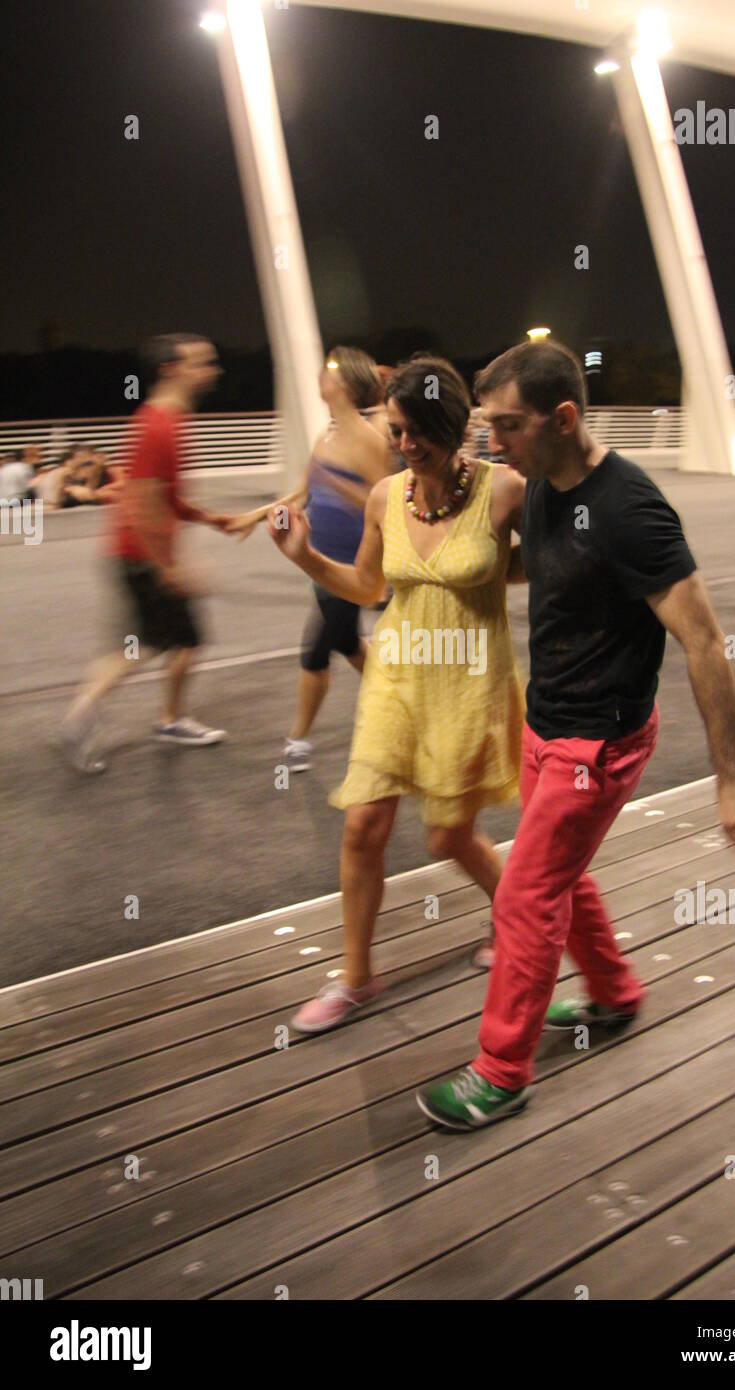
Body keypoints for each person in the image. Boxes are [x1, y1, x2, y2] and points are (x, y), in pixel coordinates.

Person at [417, 339, 735, 1130]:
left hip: (599, 744)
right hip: (546, 725)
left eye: (507, 427)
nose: (494, 444)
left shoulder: (630, 508)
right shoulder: (542, 484)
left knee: (525, 894)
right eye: (487, 427)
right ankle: (614, 995)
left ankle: (501, 1072)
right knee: (561, 878)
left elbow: (705, 641)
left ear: (564, 417)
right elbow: (543, 570)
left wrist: (731, 777)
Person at [266, 354, 527, 1028]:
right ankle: (356, 976)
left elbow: (549, 568)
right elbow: (367, 588)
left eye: (415, 431)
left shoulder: (505, 491)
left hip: (470, 680)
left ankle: (518, 920)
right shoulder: (387, 495)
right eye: (395, 431)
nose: (404, 446)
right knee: (363, 825)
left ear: (452, 425)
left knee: (448, 835)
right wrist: (304, 558)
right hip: (399, 675)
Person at [58, 333, 236, 774]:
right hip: (143, 557)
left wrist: (209, 518)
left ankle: (162, 718)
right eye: (202, 363)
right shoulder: (158, 426)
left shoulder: (169, 420)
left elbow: (166, 497)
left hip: (136, 555)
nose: (211, 370)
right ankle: (85, 717)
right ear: (171, 370)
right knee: (148, 646)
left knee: (170, 642)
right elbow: (140, 503)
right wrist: (169, 567)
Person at [225, 347, 395, 770]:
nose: (323, 376)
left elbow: (388, 504)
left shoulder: (372, 441)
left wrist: (343, 488)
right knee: (343, 642)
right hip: (318, 560)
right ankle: (402, 698)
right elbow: (302, 493)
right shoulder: (326, 435)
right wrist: (254, 515)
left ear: (348, 385)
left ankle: (299, 739)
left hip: (354, 567)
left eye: (332, 372)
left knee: (316, 650)